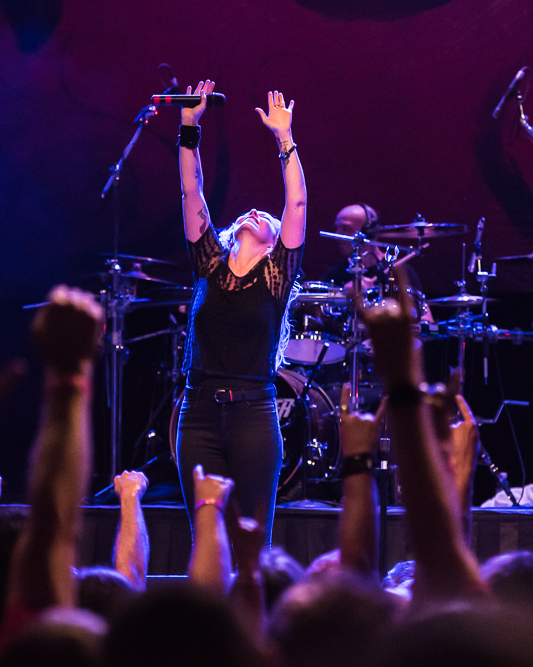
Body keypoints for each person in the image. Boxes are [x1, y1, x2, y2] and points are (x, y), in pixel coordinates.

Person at [175, 80, 306, 543]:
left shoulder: (276, 275)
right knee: (207, 540)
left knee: (251, 543)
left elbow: (296, 203)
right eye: (251, 212)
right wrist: (189, 127)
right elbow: (192, 191)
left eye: (266, 218)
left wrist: (284, 137)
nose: (255, 211)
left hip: (254, 415)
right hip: (198, 413)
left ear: (274, 242)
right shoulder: (208, 262)